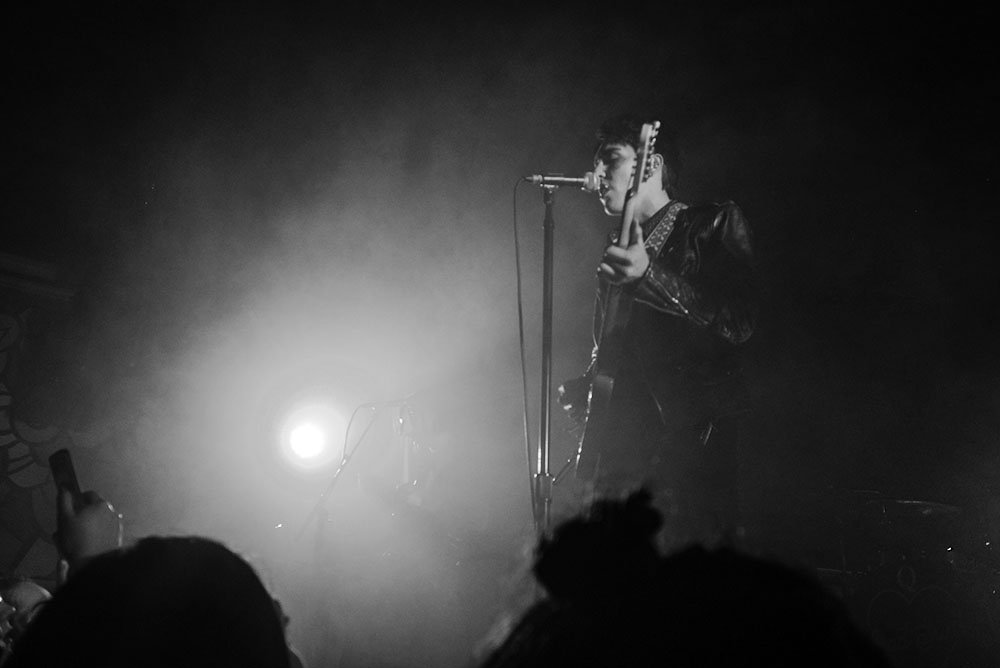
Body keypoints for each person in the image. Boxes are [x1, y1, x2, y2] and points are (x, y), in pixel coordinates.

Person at [558, 113, 757, 549]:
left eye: (610, 160)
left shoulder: (713, 223)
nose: (597, 175)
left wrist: (651, 276)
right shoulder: (618, 250)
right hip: (625, 459)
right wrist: (587, 390)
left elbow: (739, 323)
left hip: (691, 451)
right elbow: (617, 352)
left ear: (650, 163)